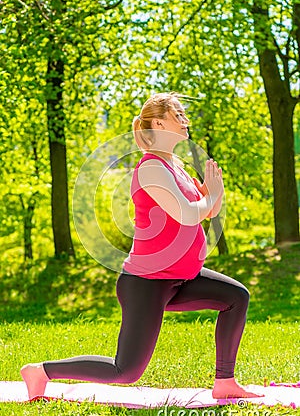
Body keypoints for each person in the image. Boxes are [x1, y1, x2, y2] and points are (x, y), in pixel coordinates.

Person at [21, 92, 261, 400]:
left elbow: (205, 211)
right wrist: (210, 197)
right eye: (179, 116)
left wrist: (214, 194)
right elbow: (189, 215)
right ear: (159, 122)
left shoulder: (174, 165)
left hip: (182, 277)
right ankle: (41, 371)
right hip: (147, 283)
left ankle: (225, 382)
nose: (186, 121)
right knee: (126, 371)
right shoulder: (151, 169)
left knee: (236, 297)